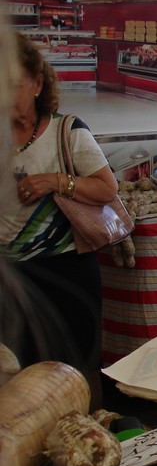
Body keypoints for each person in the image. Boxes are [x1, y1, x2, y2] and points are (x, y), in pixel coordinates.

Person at [1, 32, 118, 403]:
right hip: (11, 277)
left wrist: (56, 181)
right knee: (19, 379)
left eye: (14, 85)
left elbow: (107, 188)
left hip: (67, 271)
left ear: (37, 84)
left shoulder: (67, 131)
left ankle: (90, 430)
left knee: (77, 370)